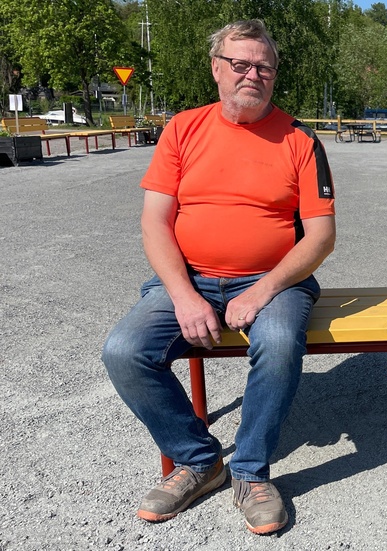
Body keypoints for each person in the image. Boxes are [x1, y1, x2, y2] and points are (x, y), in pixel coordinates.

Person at [102, 19, 336, 535]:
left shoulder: (300, 139)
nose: (253, 74)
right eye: (241, 64)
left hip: (275, 281)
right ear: (216, 69)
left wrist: (263, 289)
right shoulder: (182, 129)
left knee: (278, 342)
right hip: (188, 279)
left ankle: (251, 472)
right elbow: (154, 222)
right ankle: (200, 462)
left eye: (264, 67)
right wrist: (184, 296)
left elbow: (320, 237)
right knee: (123, 351)